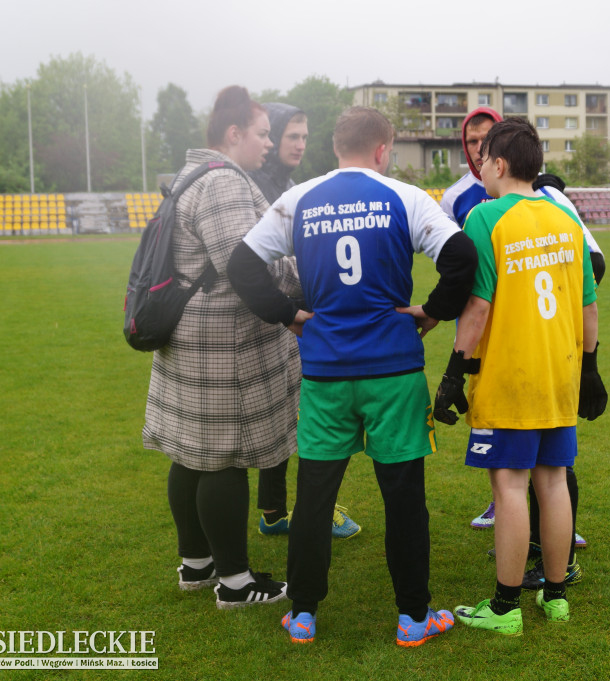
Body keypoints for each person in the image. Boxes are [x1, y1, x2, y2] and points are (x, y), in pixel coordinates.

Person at [227, 106, 477, 647]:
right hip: (393, 372)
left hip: (325, 374)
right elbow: (462, 255)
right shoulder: (405, 196)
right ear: (383, 150)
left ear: (334, 147)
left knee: (314, 497)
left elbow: (241, 266)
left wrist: (290, 315)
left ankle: (303, 616)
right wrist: (431, 312)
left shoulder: (298, 200)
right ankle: (414, 618)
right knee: (404, 497)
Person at [433, 118, 607, 635]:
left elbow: (479, 306)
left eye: (482, 159)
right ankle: (556, 598)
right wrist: (591, 369)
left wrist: (451, 372)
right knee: (552, 483)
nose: (479, 167)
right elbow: (589, 309)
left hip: (509, 377)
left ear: (500, 164)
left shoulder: (486, 219)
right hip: (560, 376)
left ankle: (506, 609)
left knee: (509, 485)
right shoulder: (565, 220)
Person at [142, 85, 296, 610]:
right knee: (223, 458)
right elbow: (244, 263)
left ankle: (197, 562)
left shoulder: (194, 175)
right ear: (234, 135)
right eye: (262, 133)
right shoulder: (225, 182)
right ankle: (235, 582)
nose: (269, 144)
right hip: (222, 343)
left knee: (191, 454)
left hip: (190, 334)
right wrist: (297, 275)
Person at [246, 102, 360, 541]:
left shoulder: (289, 185)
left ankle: (275, 510)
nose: (297, 144)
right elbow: (258, 261)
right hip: (276, 315)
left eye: (304, 137)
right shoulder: (257, 186)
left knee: (290, 412)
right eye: (290, 135)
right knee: (303, 415)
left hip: (294, 312)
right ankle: (299, 508)